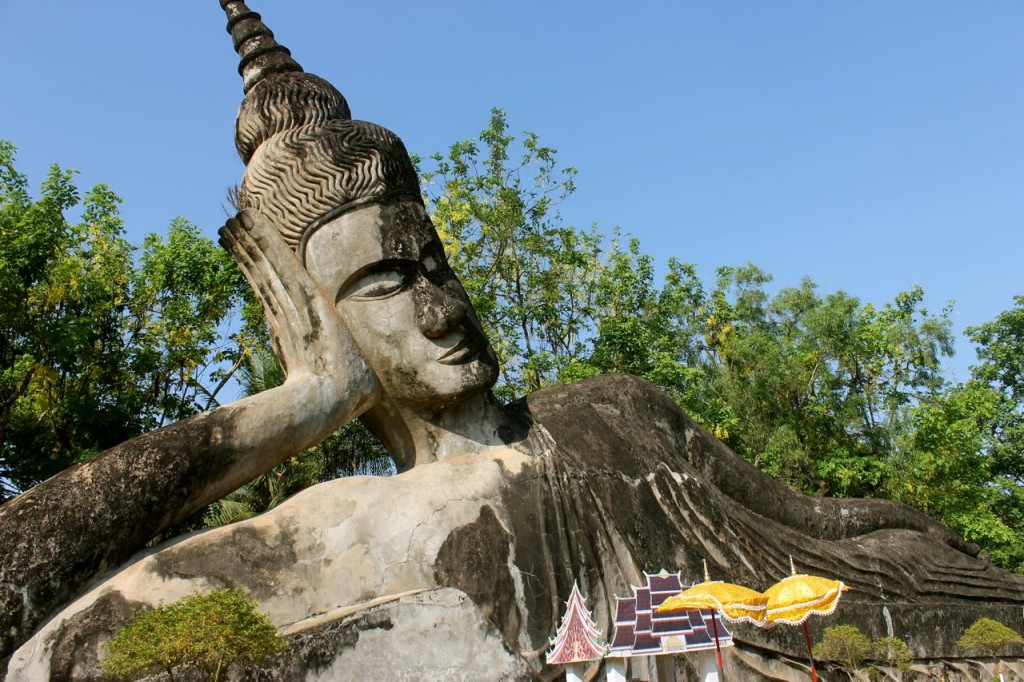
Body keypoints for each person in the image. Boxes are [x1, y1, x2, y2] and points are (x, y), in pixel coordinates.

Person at [3, 2, 1024, 677]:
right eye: (385, 284)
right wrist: (307, 397)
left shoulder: (612, 407)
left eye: (436, 264)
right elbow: (42, 632)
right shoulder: (335, 527)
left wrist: (912, 531)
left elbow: (812, 520)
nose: (440, 304)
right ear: (317, 316)